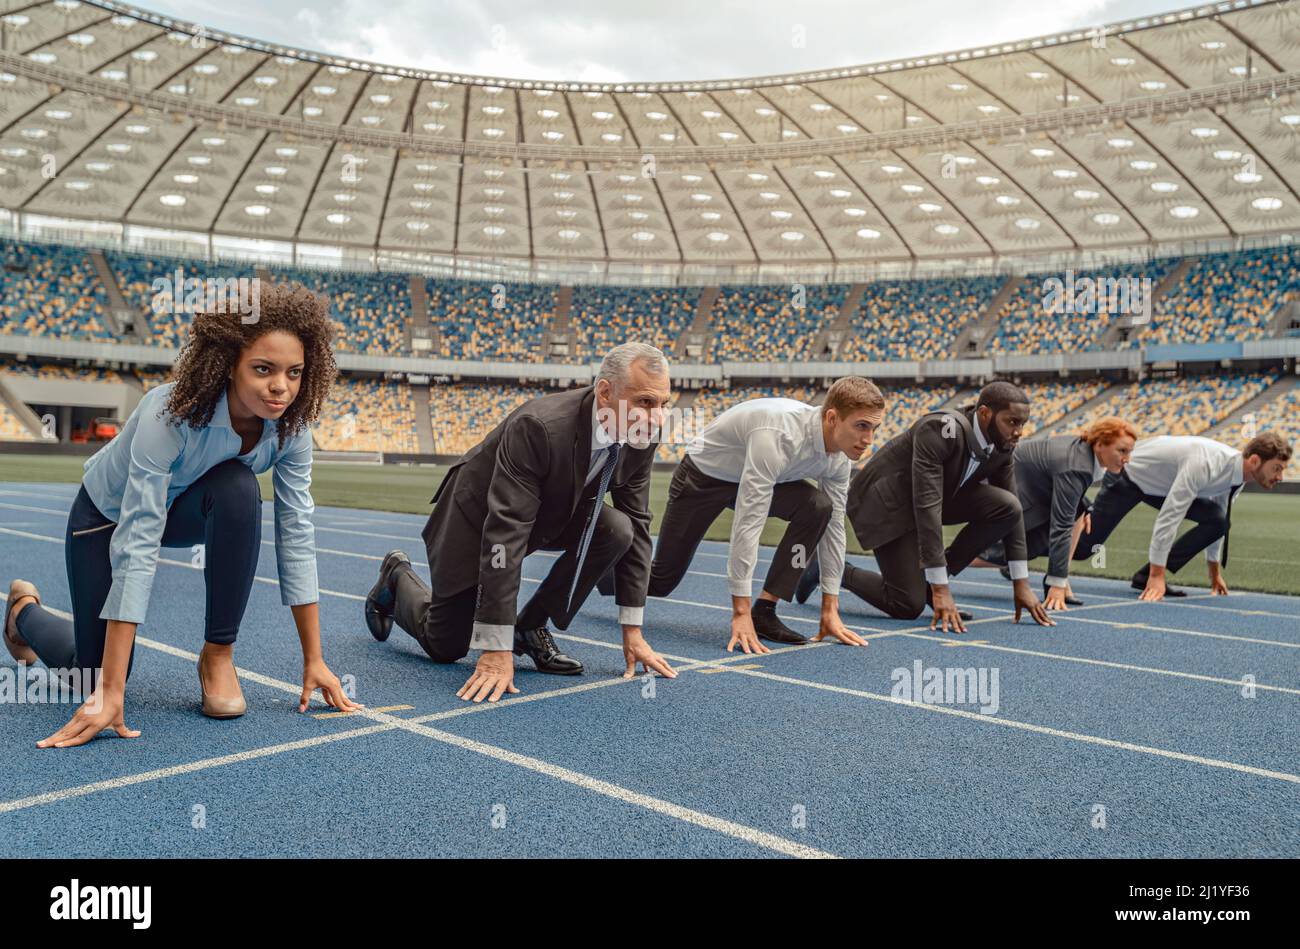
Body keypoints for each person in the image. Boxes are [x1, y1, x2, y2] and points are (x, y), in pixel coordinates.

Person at [4, 282, 358, 749]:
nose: (281, 386)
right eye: (263, 369)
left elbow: (296, 533)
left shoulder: (291, 430)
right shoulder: (169, 414)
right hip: (105, 517)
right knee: (93, 673)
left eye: (295, 373)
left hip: (187, 510)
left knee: (238, 487)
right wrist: (111, 691)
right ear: (228, 364)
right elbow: (137, 539)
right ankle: (22, 614)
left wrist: (314, 659)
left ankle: (217, 654)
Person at [364, 342, 676, 703]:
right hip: (477, 515)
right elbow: (506, 531)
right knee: (445, 645)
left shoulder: (643, 434)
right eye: (645, 402)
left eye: (664, 404)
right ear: (605, 392)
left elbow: (637, 522)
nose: (656, 418)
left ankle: (528, 627)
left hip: (555, 510)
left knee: (617, 528)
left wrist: (633, 629)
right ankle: (396, 576)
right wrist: (494, 647)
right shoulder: (540, 427)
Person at [601, 377, 883, 654]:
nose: (868, 439)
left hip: (747, 476)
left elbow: (834, 529)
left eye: (874, 428)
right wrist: (739, 612)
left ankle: (766, 609)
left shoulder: (840, 457)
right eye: (861, 426)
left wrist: (830, 608)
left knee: (820, 508)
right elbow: (749, 522)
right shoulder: (778, 435)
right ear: (832, 418)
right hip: (702, 478)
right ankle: (601, 571)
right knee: (662, 580)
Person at [804, 380, 1055, 633]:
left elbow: (1014, 513)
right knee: (906, 605)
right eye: (1012, 422)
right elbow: (928, 505)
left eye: (1022, 424)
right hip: (884, 503)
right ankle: (828, 568)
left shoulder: (1002, 447)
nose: (1019, 431)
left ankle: (926, 581)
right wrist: (940, 589)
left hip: (932, 499)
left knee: (1008, 507)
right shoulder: (940, 429)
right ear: (985, 414)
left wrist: (1021, 583)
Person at [1073, 431, 1291, 601]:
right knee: (1084, 548)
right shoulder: (1205, 463)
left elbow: (1220, 521)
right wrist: (1157, 577)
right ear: (1254, 461)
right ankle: (1046, 537)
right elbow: (1170, 516)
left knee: (1217, 519)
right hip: (1128, 476)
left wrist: (1214, 574)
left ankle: (1143, 575)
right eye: (1277, 469)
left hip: (1161, 486)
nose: (1280, 477)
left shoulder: (1238, 477)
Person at [969, 417, 1138, 610]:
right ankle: (944, 562)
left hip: (1030, 487)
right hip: (1008, 488)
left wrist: (1086, 507)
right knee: (1020, 550)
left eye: (1129, 451)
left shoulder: (1083, 451)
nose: (1127, 459)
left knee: (1077, 514)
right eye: (1122, 451)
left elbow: (1070, 490)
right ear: (1100, 445)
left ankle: (1059, 579)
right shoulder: (1077, 465)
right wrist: (1055, 586)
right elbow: (1062, 525)